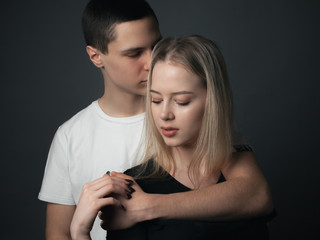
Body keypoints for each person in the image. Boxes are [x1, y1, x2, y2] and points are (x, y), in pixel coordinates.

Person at [38, 0, 273, 239]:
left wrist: (147, 207)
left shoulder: (199, 122)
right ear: (96, 56)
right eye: (134, 53)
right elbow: (58, 233)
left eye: (156, 46)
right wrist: (80, 231)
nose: (152, 62)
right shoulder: (69, 136)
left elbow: (255, 195)